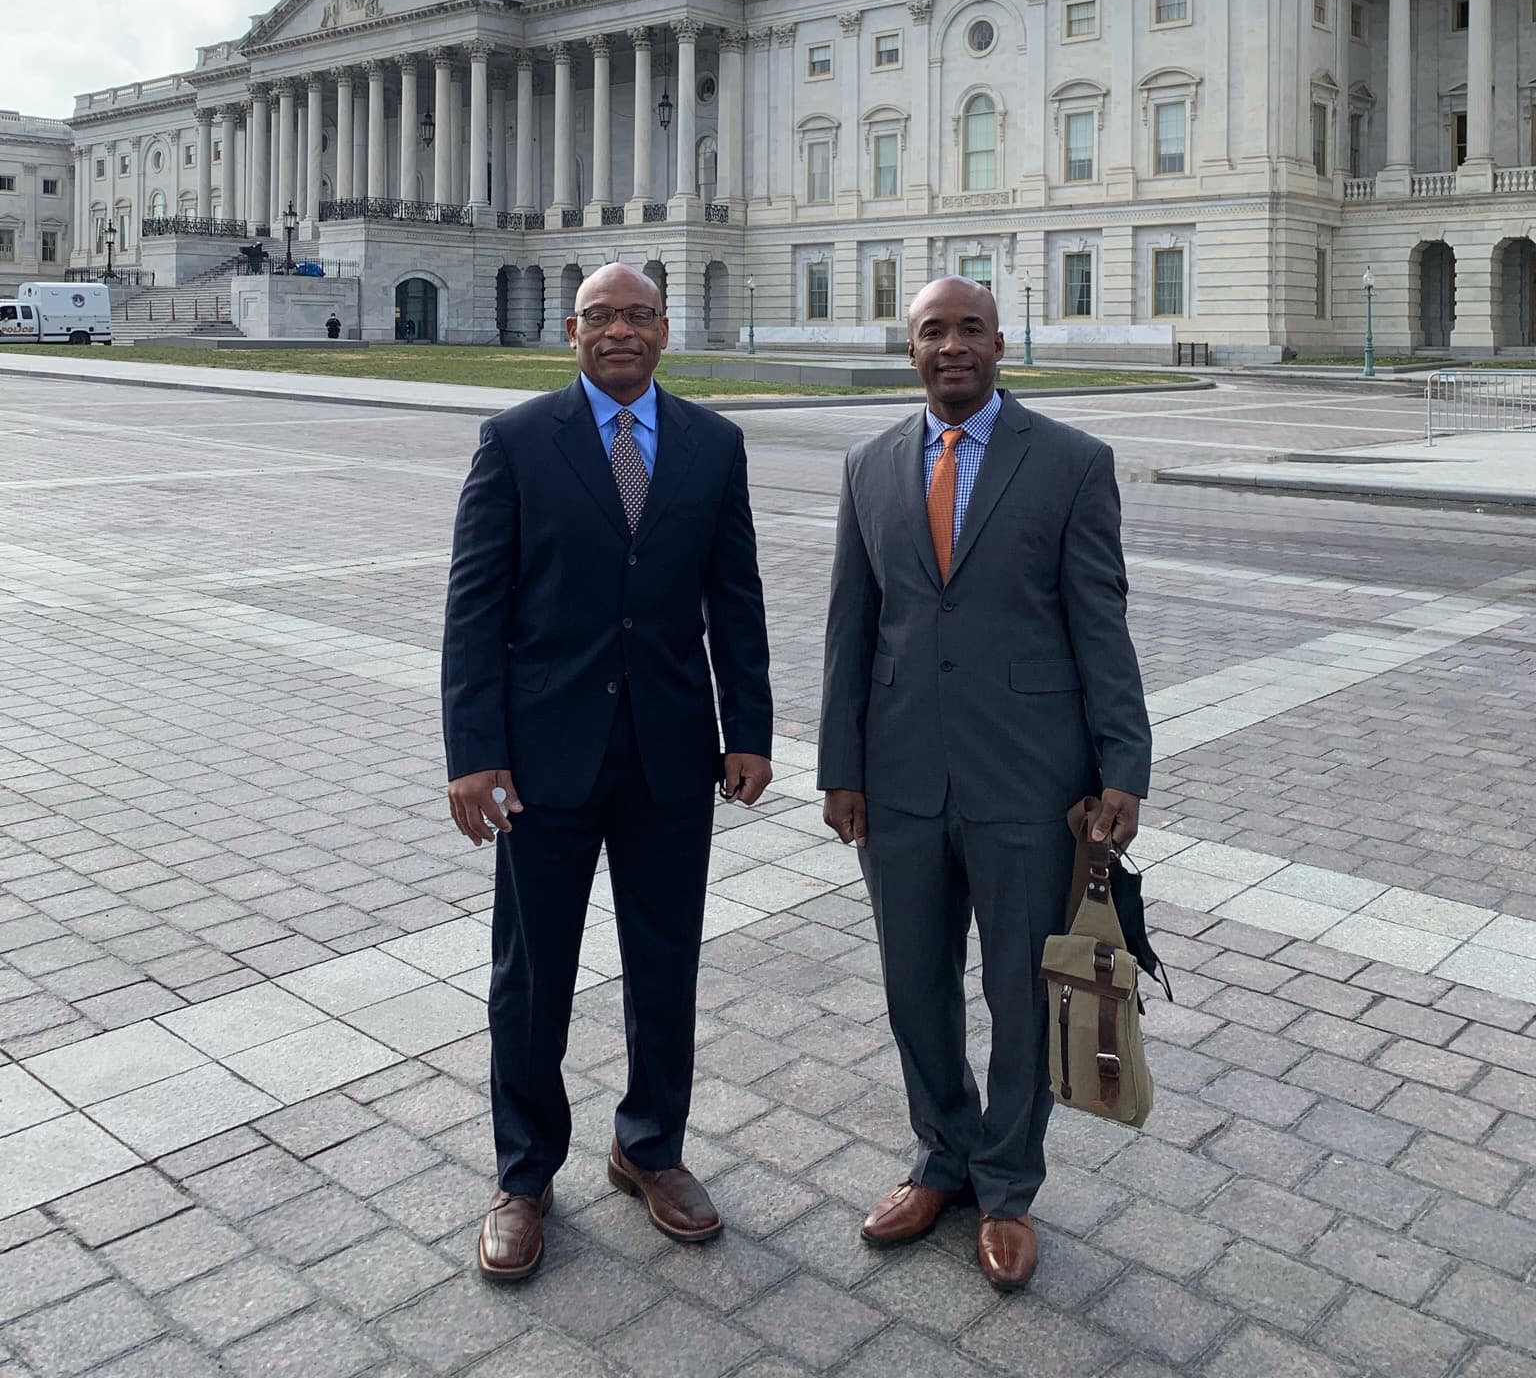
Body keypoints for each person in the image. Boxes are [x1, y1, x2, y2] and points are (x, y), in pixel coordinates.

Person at [441, 262, 774, 1284]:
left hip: (671, 752)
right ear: (571, 331)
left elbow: (737, 595)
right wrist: (473, 752)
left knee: (665, 961)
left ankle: (650, 1144)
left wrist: (749, 726)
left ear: (665, 329)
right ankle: (525, 1170)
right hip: (544, 757)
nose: (620, 330)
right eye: (601, 316)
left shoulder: (714, 444)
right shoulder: (516, 440)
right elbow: (475, 606)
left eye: (637, 314)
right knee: (531, 973)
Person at [818, 276, 1151, 1291]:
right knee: (913, 985)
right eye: (932, 331)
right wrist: (840, 766)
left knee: (1020, 992)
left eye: (969, 328)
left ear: (1001, 342)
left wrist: (1122, 766)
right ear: (908, 349)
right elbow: (850, 628)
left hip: (1030, 779)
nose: (951, 345)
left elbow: (1101, 622)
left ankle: (1007, 1183)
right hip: (901, 776)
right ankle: (942, 1156)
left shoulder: (1071, 463)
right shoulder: (870, 465)